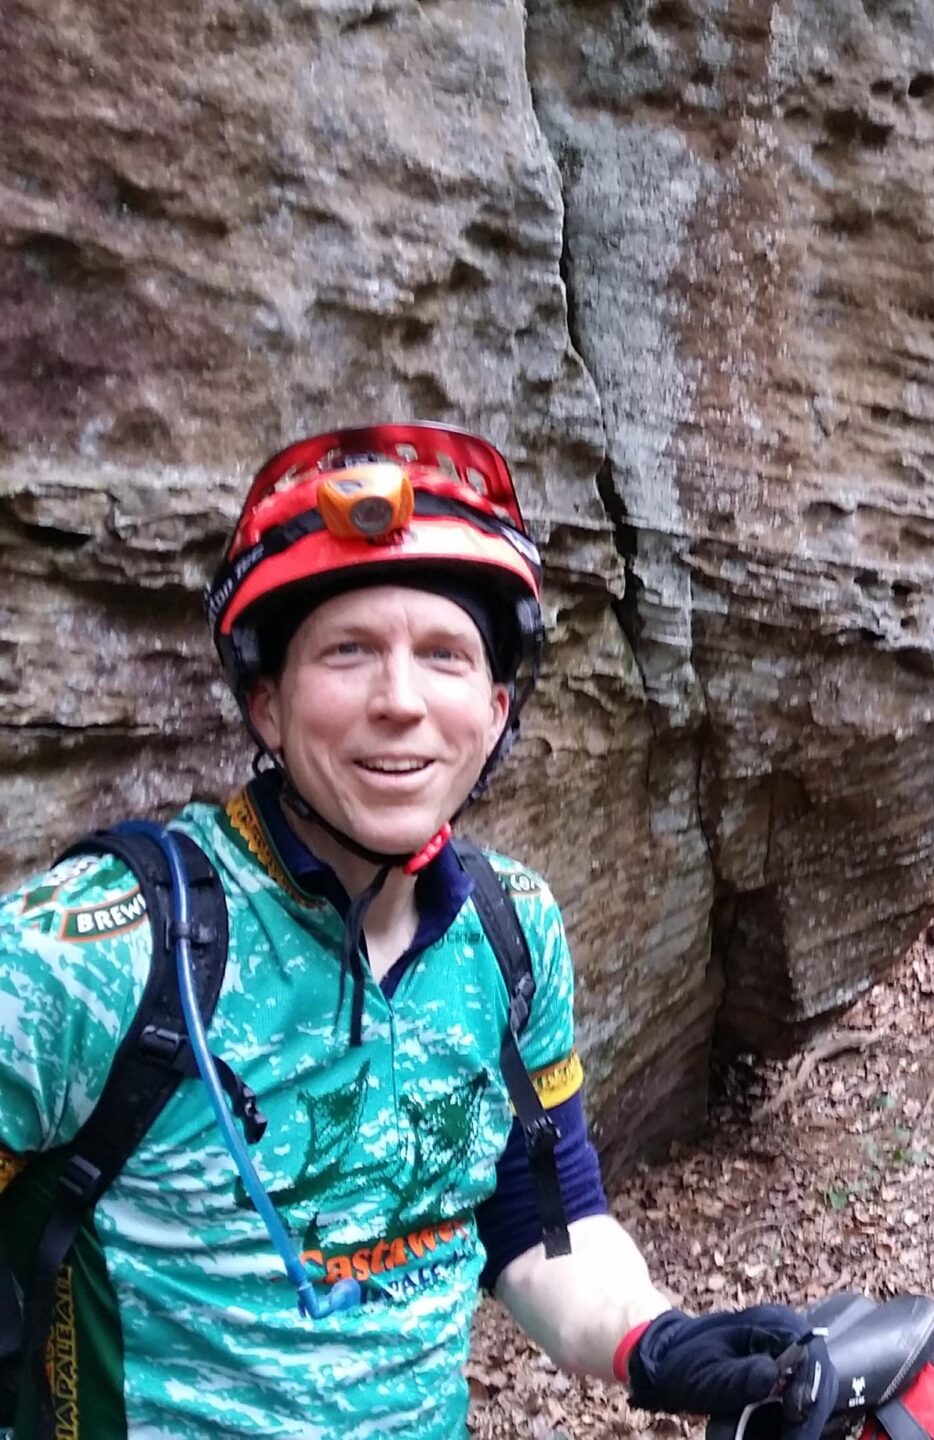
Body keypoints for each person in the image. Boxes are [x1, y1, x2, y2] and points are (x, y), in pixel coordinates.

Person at [0, 424, 809, 1438]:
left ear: (496, 707)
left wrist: (659, 1343)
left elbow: (540, 1225)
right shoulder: (99, 952)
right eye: (348, 652)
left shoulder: (512, 934)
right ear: (266, 703)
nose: (400, 702)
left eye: (444, 656)